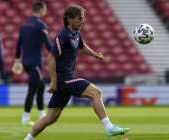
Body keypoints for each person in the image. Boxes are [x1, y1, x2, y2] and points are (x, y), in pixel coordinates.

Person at [24, 5, 130, 140]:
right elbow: (51, 57)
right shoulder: (63, 35)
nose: (82, 21)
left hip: (67, 78)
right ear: (69, 19)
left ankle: (27, 139)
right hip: (63, 79)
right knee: (96, 93)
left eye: (83, 18)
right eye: (79, 19)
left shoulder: (76, 33)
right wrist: (54, 81)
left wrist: (95, 54)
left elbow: (82, 47)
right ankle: (109, 127)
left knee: (51, 118)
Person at [12, 1, 53, 126]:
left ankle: (41, 114)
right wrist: (56, 54)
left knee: (40, 86)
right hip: (35, 62)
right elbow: (47, 44)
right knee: (32, 88)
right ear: (41, 10)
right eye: (44, 10)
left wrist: (17, 59)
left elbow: (19, 43)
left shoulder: (24, 24)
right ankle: (25, 117)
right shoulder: (40, 25)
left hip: (26, 62)